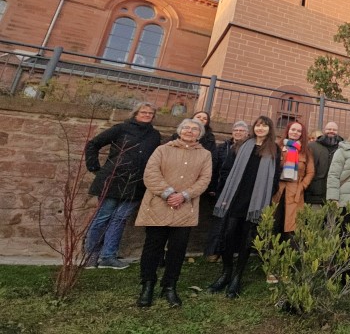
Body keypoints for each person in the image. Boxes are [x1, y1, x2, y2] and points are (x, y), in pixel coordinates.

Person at [135, 118, 212, 308]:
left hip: (185, 208)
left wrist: (184, 195)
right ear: (179, 130)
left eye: (194, 129)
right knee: (153, 248)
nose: (189, 131)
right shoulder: (162, 150)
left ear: (199, 134)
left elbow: (204, 179)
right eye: (186, 127)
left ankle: (169, 286)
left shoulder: (205, 155)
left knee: (177, 251)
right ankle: (147, 285)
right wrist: (169, 193)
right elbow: (151, 174)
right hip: (159, 205)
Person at [208, 115, 280, 298]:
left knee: (247, 240)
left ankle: (237, 278)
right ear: (253, 127)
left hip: (256, 200)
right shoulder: (242, 145)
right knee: (229, 234)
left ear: (269, 129)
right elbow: (228, 169)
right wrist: (225, 193)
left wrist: (266, 195)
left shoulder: (274, 149)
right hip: (236, 197)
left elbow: (275, 176)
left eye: (264, 126)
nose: (261, 129)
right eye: (258, 125)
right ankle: (226, 273)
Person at [84, 102, 161, 269]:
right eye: (144, 112)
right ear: (135, 114)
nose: (147, 115)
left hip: (136, 183)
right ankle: (90, 255)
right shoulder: (121, 128)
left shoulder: (155, 135)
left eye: (150, 113)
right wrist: (94, 167)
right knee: (103, 217)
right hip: (113, 179)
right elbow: (93, 144)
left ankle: (108, 256)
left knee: (120, 219)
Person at [204, 120, 250, 261]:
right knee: (220, 220)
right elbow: (216, 167)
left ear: (247, 133)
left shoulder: (250, 148)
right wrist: (213, 187)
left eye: (241, 131)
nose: (238, 132)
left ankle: (230, 251)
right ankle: (213, 251)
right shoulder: (224, 147)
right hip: (224, 188)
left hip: (241, 190)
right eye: (236, 130)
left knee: (235, 223)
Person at [272, 121, 315, 237]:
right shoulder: (278, 147)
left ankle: (288, 252)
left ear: (302, 134)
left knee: (291, 225)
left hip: (295, 191)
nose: (295, 132)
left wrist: (302, 186)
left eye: (298, 131)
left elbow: (310, 172)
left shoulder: (306, 151)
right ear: (288, 131)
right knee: (274, 220)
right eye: (293, 129)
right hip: (278, 190)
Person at [306, 121, 343, 207]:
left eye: (334, 130)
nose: (331, 131)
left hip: (335, 197)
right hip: (314, 195)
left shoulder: (342, 148)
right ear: (324, 130)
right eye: (329, 129)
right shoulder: (312, 146)